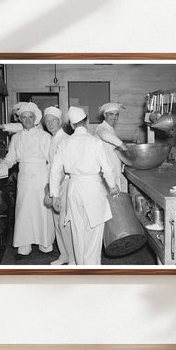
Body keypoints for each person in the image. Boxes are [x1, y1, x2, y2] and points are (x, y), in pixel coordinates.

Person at [50, 106, 118, 265]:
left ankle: (81, 267)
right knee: (94, 232)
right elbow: (107, 168)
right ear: (86, 122)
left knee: (78, 231)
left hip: (73, 189)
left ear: (72, 125)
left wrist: (55, 195)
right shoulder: (95, 142)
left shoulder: (64, 144)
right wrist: (112, 186)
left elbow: (54, 171)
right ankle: (92, 268)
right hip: (93, 189)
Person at [0, 102, 55, 260]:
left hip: (41, 176)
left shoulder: (45, 137)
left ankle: (45, 243)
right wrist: (4, 165)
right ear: (20, 119)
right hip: (24, 178)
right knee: (24, 211)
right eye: (24, 117)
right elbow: (11, 158)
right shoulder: (16, 138)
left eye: (30, 117)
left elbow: (52, 160)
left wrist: (51, 182)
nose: (28, 120)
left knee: (42, 209)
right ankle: (24, 246)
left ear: (35, 118)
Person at [43, 106, 75, 266]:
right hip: (55, 185)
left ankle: (73, 259)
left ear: (60, 121)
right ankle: (64, 255)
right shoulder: (52, 138)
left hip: (65, 185)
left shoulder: (65, 139)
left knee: (65, 222)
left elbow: (62, 169)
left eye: (53, 120)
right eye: (47, 121)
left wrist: (54, 191)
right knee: (57, 221)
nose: (50, 124)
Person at [94, 102, 128, 192]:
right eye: (111, 114)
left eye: (117, 114)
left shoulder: (110, 128)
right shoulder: (101, 128)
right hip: (106, 173)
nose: (114, 117)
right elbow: (106, 136)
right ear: (105, 115)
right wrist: (123, 146)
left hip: (113, 170)